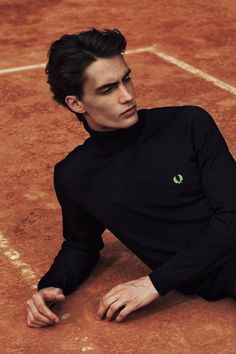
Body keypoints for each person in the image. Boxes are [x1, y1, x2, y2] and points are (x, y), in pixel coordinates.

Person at [26, 28, 236, 328]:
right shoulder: (75, 174)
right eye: (108, 89)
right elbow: (80, 245)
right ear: (76, 103)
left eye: (126, 79)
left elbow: (233, 214)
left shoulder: (188, 124)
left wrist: (154, 283)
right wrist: (52, 284)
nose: (127, 96)